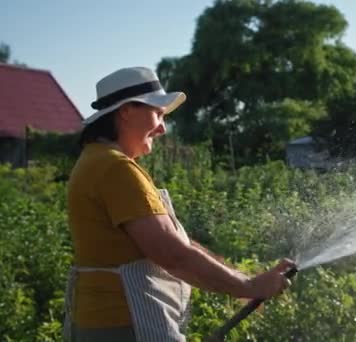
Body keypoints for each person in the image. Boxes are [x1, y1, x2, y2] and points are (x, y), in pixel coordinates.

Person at [64, 66, 294, 342]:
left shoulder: (96, 160)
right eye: (158, 114)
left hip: (105, 322)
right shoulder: (115, 168)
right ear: (126, 111)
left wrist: (244, 283)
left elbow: (173, 243)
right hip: (125, 324)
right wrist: (246, 285)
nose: (162, 128)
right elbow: (173, 254)